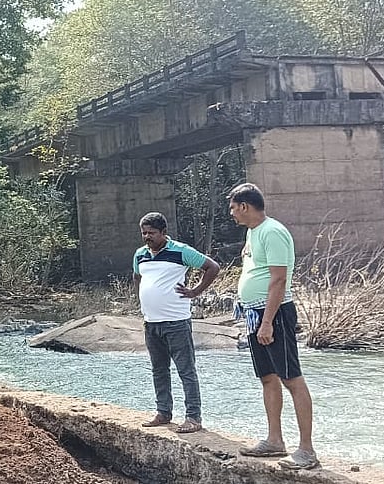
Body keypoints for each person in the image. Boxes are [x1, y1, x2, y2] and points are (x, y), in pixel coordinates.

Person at [227, 183, 319, 470]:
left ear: (244, 206)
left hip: (274, 315)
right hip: (255, 314)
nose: (231, 213)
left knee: (292, 378)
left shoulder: (273, 231)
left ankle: (306, 450)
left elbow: (279, 279)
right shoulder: (252, 232)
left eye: (233, 207)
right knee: (268, 377)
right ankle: (274, 440)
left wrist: (267, 322)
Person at [132, 212, 220, 434]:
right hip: (151, 323)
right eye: (144, 233)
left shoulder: (181, 251)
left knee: (186, 370)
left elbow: (212, 267)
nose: (147, 237)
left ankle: (193, 417)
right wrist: (142, 297)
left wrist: (195, 291)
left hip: (176, 322)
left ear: (163, 232)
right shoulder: (140, 255)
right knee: (158, 370)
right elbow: (137, 276)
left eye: (152, 233)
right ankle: (163, 412)